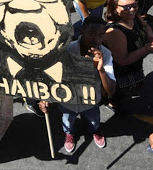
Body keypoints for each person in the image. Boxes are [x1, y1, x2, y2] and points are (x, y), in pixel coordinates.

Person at [39, 16, 116, 152]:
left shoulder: (106, 54)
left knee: (94, 121)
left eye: (101, 35)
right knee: (68, 122)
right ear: (82, 31)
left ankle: (95, 130)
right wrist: (45, 97)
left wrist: (101, 69)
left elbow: (111, 89)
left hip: (91, 102)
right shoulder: (67, 50)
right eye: (92, 34)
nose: (97, 39)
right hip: (68, 101)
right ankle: (70, 134)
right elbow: (52, 76)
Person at [103, 0, 153, 110]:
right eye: (126, 7)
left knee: (133, 86)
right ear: (115, 7)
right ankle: (112, 103)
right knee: (120, 91)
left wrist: (151, 37)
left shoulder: (133, 16)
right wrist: (147, 49)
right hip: (121, 71)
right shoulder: (115, 32)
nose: (131, 9)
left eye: (134, 5)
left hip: (135, 63)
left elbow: (146, 26)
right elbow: (122, 60)